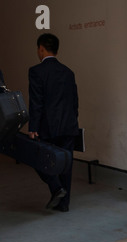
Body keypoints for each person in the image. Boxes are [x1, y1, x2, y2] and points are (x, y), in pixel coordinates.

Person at [28, 33, 79, 212]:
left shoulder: (36, 72)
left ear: (41, 48)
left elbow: (36, 102)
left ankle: (56, 187)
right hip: (68, 126)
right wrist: (74, 122)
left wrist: (33, 127)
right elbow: (74, 101)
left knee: (38, 159)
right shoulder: (68, 72)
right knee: (66, 164)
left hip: (47, 127)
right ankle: (63, 205)